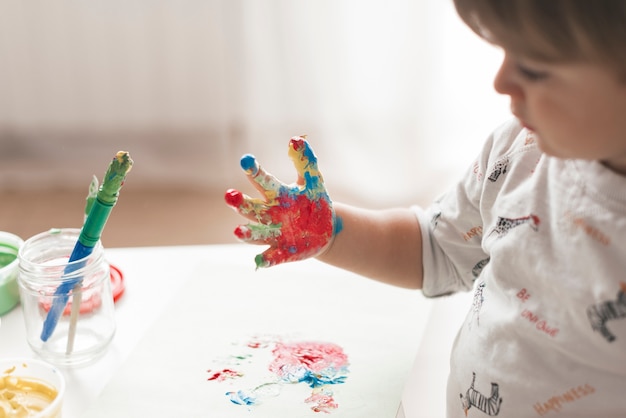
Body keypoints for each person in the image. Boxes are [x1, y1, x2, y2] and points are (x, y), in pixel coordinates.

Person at [225, 1, 626, 416]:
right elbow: (436, 247)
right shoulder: (520, 149)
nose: (501, 81)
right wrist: (331, 231)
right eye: (507, 51)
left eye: (535, 68)